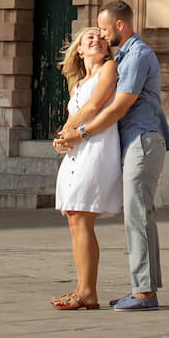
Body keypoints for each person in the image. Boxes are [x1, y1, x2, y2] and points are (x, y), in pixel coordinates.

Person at [54, 0, 169, 311]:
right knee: (137, 214)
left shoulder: (137, 55)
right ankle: (143, 289)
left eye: (104, 30)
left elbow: (118, 107)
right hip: (130, 141)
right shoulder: (125, 57)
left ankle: (144, 294)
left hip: (142, 139)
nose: (102, 36)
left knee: (137, 215)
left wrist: (80, 134)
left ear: (119, 25)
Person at [51, 26, 121, 311]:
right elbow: (80, 110)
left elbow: (95, 106)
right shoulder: (78, 83)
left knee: (82, 216)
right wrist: (63, 140)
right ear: (79, 50)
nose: (97, 40)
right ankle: (82, 288)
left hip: (98, 147)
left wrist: (65, 131)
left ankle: (88, 292)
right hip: (77, 152)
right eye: (89, 37)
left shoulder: (109, 68)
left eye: (101, 38)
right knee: (74, 218)